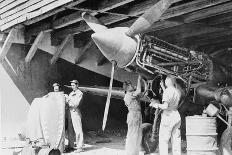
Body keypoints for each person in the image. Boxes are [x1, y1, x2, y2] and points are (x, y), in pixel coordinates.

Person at [150, 75, 181, 155]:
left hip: (168, 116)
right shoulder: (177, 91)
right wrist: (163, 87)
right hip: (176, 115)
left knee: (164, 140)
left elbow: (165, 106)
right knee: (176, 139)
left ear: (167, 82)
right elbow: (169, 95)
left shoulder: (167, 92)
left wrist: (155, 105)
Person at [123, 75, 143, 155]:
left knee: (137, 135)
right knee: (133, 135)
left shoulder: (131, 94)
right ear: (128, 87)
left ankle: (135, 153)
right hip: (134, 116)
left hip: (137, 115)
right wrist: (139, 80)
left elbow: (140, 93)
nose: (132, 86)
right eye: (131, 85)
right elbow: (139, 90)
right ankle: (130, 153)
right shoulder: (129, 95)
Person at [66, 80, 84, 152]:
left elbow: (75, 104)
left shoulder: (79, 93)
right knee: (70, 130)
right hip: (69, 112)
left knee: (78, 130)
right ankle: (71, 146)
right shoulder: (71, 93)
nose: (72, 87)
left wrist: (68, 99)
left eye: (73, 85)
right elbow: (68, 103)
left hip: (75, 112)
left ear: (77, 85)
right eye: (71, 85)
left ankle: (80, 147)